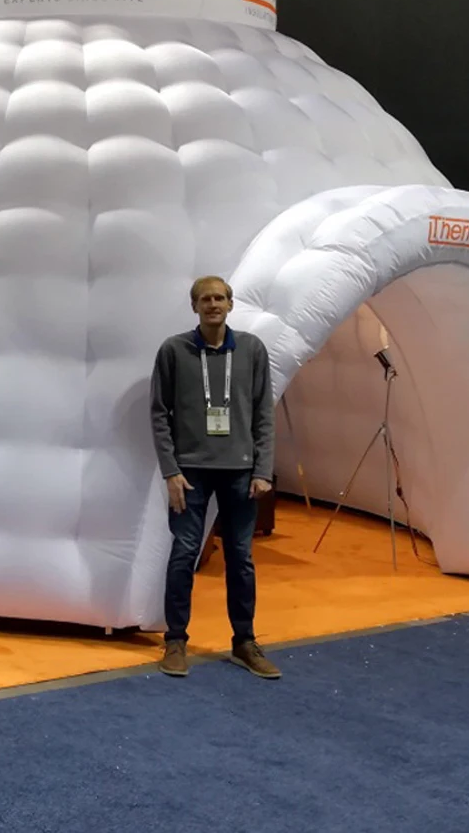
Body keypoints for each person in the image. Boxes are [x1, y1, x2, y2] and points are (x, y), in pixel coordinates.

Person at [149, 275, 282, 680]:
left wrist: (263, 470)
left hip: (241, 473)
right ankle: (175, 640)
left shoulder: (252, 350)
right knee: (184, 553)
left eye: (219, 298)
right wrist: (170, 470)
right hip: (189, 473)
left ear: (230, 303)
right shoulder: (174, 350)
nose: (212, 304)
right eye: (204, 299)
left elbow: (263, 412)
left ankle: (244, 642)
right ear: (194, 307)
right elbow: (159, 414)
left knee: (240, 558)